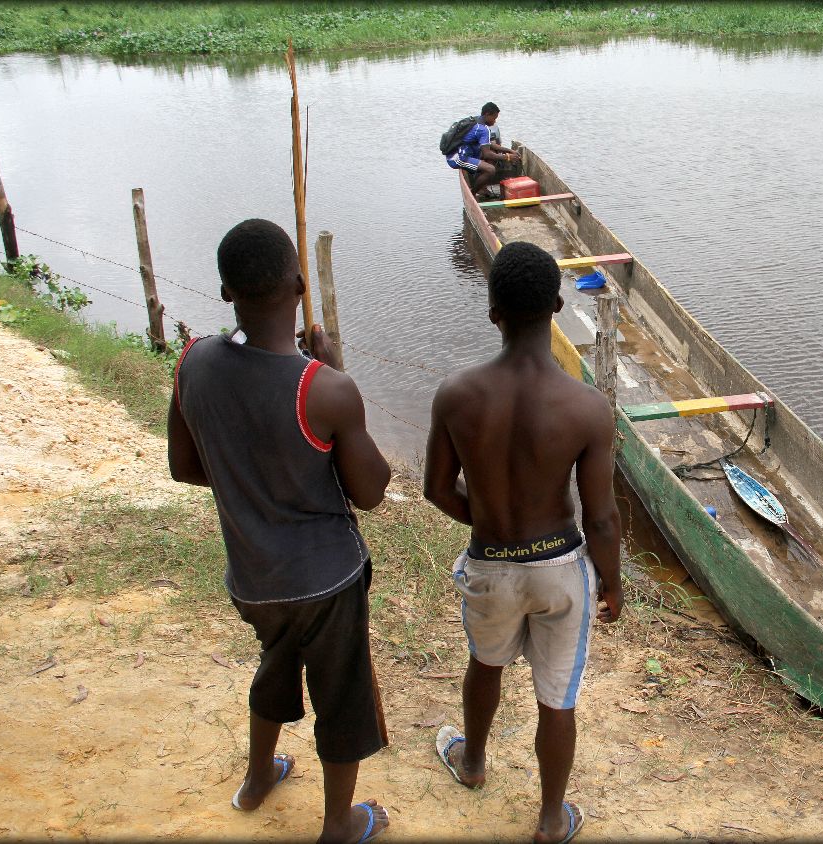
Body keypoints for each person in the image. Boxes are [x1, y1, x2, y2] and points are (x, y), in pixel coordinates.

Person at [168, 218, 393, 844]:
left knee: (274, 666)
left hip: (253, 579)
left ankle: (258, 777)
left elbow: (186, 467)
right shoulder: (323, 388)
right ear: (300, 284)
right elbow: (371, 492)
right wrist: (339, 379)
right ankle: (339, 824)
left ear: (225, 292)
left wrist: (253, 470)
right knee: (339, 695)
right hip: (325, 581)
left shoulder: (193, 362)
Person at [423, 240, 623, 843]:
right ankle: (548, 819)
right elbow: (603, 519)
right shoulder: (587, 407)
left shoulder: (457, 394)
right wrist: (611, 584)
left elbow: (436, 489)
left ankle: (473, 762)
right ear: (557, 306)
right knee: (556, 701)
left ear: (493, 312)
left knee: (485, 664)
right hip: (561, 569)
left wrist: (490, 528)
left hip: (491, 564)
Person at [446, 101, 519, 200]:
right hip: (458, 157)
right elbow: (487, 154)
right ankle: (472, 195)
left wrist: (510, 151)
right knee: (490, 169)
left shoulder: (477, 120)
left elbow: (491, 145)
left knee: (493, 157)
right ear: (487, 114)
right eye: (494, 118)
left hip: (468, 152)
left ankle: (481, 187)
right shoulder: (483, 129)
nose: (495, 121)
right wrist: (508, 157)